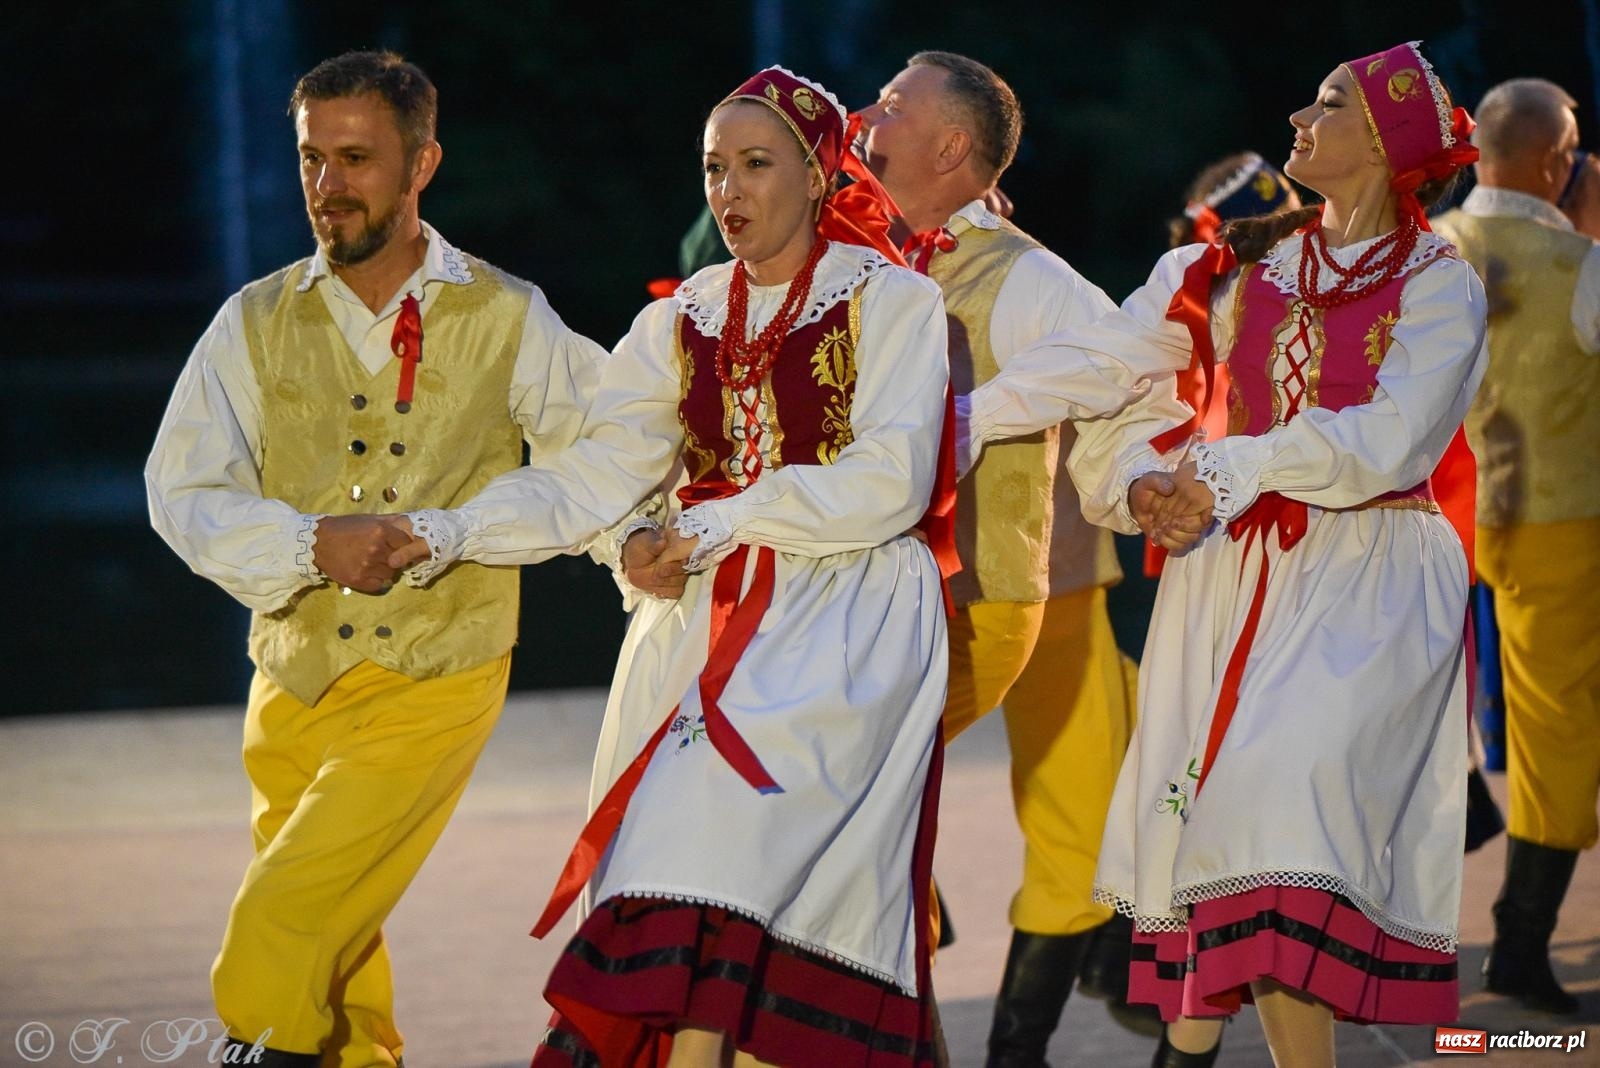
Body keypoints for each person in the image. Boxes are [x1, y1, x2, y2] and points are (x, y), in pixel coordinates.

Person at [387, 66, 954, 1067]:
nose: (726, 190)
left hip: (846, 626)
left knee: (708, 862)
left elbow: (892, 482)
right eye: (711, 168)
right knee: (699, 886)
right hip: (702, 626)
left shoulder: (893, 303)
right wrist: (446, 533)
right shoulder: (677, 320)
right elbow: (596, 474)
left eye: (753, 164)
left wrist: (717, 521)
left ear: (820, 175)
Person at [959, 40, 1487, 1067]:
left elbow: (1389, 439)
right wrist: (974, 422)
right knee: (1224, 840)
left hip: (1366, 579)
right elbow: (1104, 363)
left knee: (1271, 817)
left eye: (1329, 105)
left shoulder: (1439, 283)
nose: (1299, 115)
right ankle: (1191, 1052)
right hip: (1234, 574)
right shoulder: (1233, 265)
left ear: (1385, 145)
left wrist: (1226, 468)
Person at [145, 51, 608, 1067]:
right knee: (336, 942)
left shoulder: (505, 312)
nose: (327, 187)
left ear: (422, 164)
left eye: (355, 159)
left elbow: (607, 448)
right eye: (312, 158)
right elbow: (179, 493)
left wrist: (641, 542)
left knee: (282, 920)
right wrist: (307, 542)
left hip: (437, 674)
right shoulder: (253, 320)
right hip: (292, 679)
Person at [854, 51, 1146, 1064]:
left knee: (1067, 809)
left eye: (889, 104)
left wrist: (979, 416)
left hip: (995, 588)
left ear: (951, 147)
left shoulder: (1023, 273)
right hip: (865, 594)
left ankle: (1020, 1034)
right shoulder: (838, 239)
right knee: (851, 810)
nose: (862, 115)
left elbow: (1128, 377)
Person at [1432, 77, 1600, 1016]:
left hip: (1445, 518)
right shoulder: (1579, 267)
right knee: (1555, 731)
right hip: (1559, 523)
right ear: (1552, 158)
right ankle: (1521, 942)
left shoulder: (1429, 251)